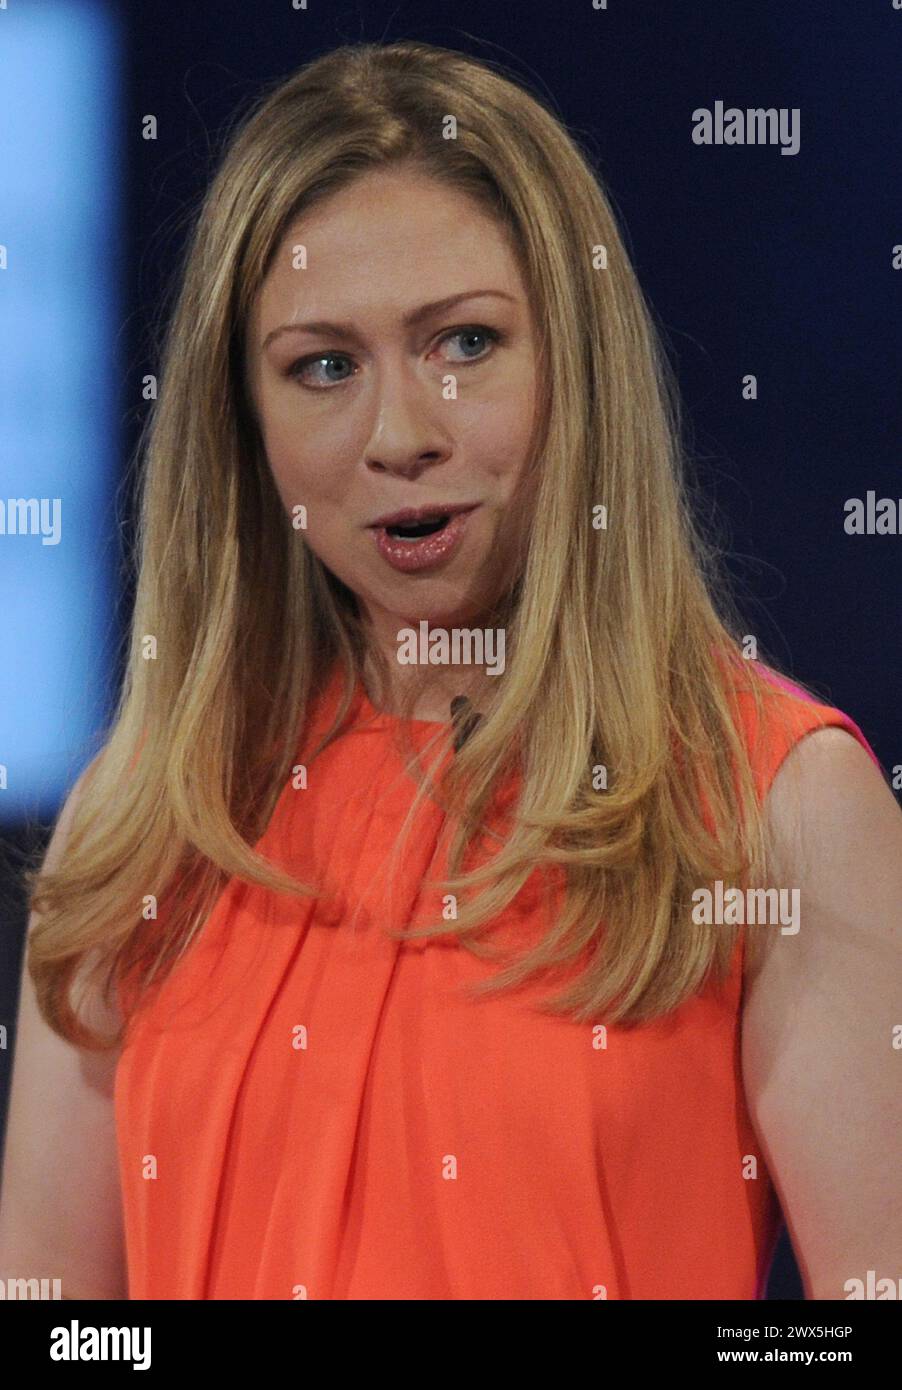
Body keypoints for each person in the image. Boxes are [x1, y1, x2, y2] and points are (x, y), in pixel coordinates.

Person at [2, 40, 900, 1302]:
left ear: (575, 366)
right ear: (241, 422)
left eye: (464, 344)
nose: (402, 435)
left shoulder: (778, 809)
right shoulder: (145, 820)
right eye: (325, 365)